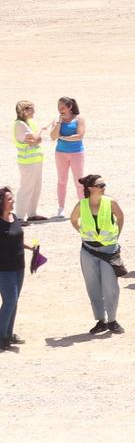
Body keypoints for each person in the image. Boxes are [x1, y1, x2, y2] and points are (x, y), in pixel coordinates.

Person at [69, 173, 124, 335]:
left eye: (104, 185)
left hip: (108, 250)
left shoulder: (111, 202)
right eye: (100, 185)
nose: (104, 187)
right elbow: (73, 219)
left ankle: (112, 320)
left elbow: (120, 217)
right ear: (91, 189)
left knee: (111, 287)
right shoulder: (82, 205)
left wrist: (116, 235)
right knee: (92, 286)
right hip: (88, 250)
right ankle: (101, 320)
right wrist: (82, 231)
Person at [12, 101, 45, 221]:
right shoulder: (20, 124)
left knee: (36, 187)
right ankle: (19, 217)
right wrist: (41, 130)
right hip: (28, 162)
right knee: (26, 188)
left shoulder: (28, 123)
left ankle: (32, 213)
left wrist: (38, 137)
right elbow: (36, 139)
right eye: (31, 109)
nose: (34, 112)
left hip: (35, 160)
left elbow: (36, 140)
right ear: (24, 111)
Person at [0, 186, 23, 350]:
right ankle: (1, 336)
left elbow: (17, 239)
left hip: (18, 267)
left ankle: (8, 333)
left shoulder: (13, 217)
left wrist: (32, 247)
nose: (13, 200)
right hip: (4, 268)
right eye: (9, 199)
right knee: (10, 301)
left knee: (14, 302)